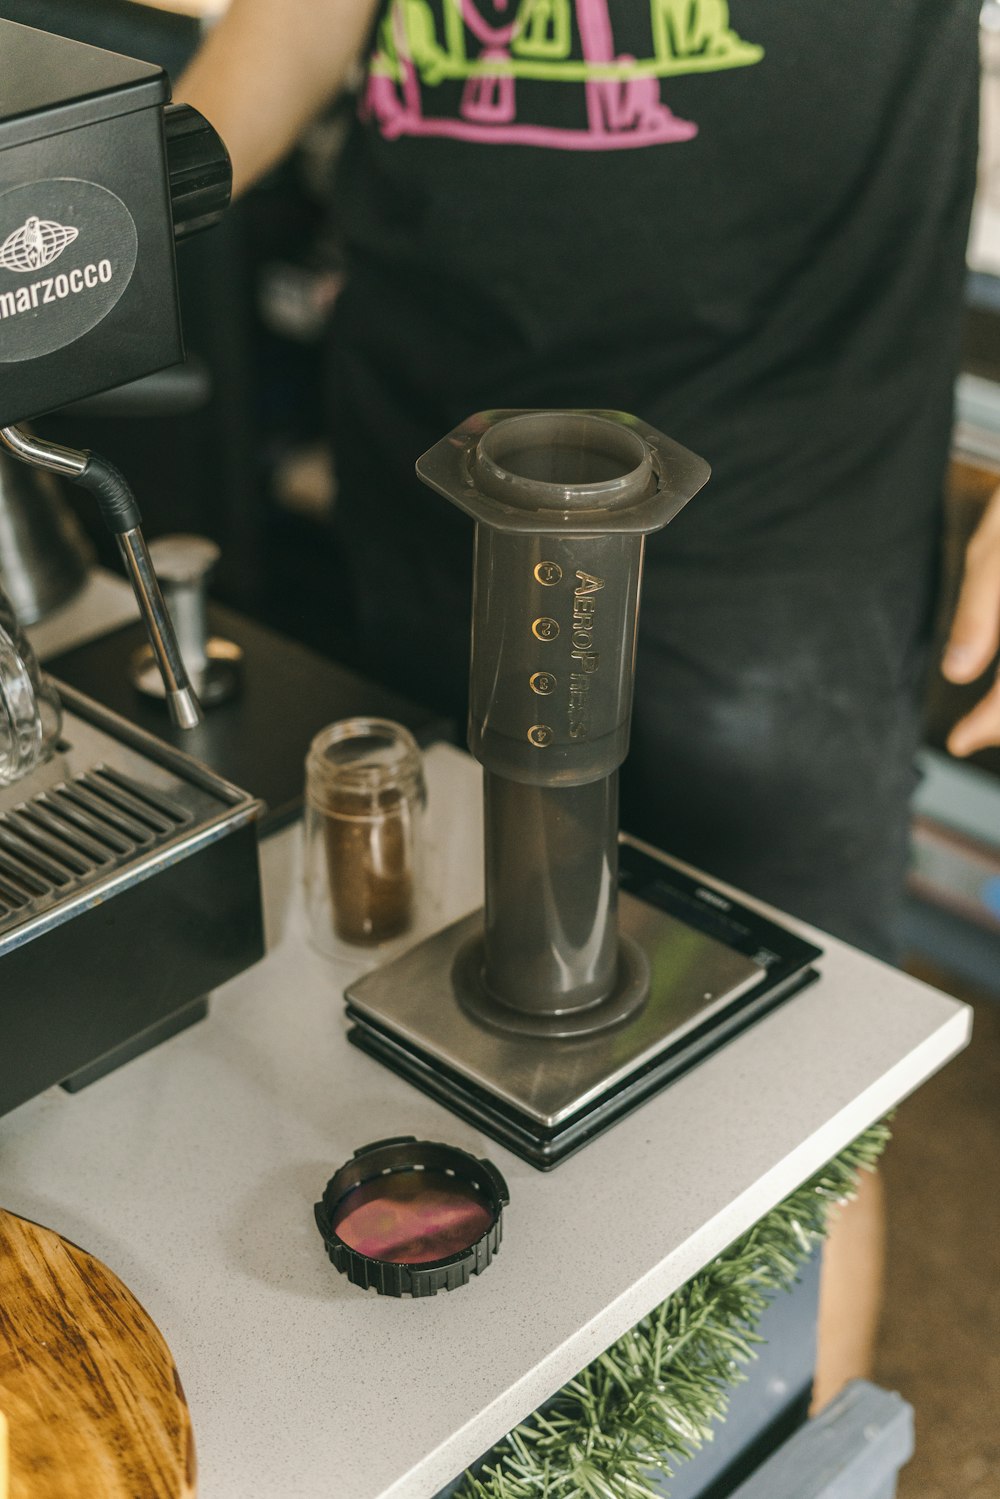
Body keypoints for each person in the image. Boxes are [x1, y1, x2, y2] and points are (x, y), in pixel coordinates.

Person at [179, 0, 994, 1405]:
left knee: (790, 1098)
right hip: (439, 456)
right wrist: (100, 220)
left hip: (773, 510)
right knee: (443, 1013)